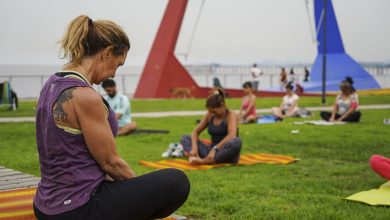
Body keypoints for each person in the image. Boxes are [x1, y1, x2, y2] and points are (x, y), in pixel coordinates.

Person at [33, 15, 189, 220]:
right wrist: (140, 197)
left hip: (44, 205)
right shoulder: (85, 96)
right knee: (177, 181)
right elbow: (110, 163)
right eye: (118, 64)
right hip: (77, 208)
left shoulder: (51, 84)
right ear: (107, 53)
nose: (115, 74)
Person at [180, 88, 242, 165]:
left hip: (225, 152)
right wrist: (194, 148)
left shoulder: (231, 114)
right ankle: (196, 157)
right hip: (209, 152)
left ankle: (205, 161)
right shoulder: (209, 115)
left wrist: (214, 150)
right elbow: (195, 132)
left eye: (214, 111)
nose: (213, 113)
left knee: (236, 141)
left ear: (222, 105)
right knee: (185, 138)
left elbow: (231, 135)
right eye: (210, 111)